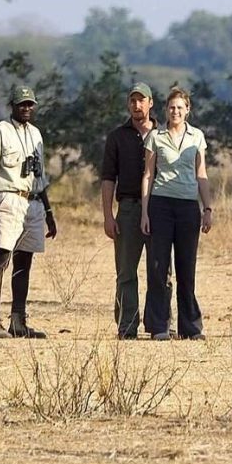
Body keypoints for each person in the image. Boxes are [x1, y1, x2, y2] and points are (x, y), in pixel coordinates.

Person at [0, 85, 57, 339]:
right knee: (1, 259)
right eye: (22, 104)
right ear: (12, 105)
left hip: (32, 202)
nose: (26, 108)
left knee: (24, 261)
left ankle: (18, 321)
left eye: (30, 104)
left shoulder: (36, 134)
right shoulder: (0, 131)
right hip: (7, 199)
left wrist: (49, 211)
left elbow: (40, 176)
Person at [141, 87, 213, 341]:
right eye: (172, 107)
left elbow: (201, 174)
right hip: (161, 205)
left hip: (187, 206)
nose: (175, 112)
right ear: (166, 110)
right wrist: (145, 212)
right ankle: (159, 325)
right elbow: (148, 175)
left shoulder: (197, 137)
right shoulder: (155, 137)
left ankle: (190, 327)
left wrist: (207, 208)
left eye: (180, 107)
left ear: (188, 110)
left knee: (186, 268)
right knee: (159, 267)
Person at [101, 82, 158, 340]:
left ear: (151, 103)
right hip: (127, 209)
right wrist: (108, 216)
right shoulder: (117, 137)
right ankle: (127, 325)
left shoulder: (164, 135)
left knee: (161, 270)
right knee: (126, 271)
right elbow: (107, 178)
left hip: (159, 208)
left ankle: (159, 324)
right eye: (133, 100)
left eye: (141, 100)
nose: (137, 105)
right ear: (128, 104)